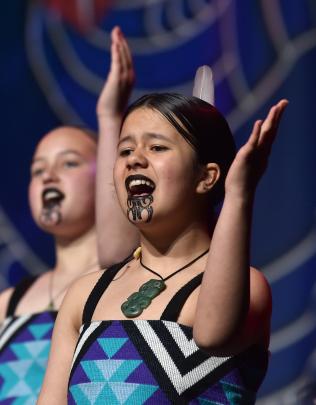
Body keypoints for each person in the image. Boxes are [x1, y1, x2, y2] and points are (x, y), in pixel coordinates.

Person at [38, 27, 288, 404]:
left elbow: (214, 335)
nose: (135, 158)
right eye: (125, 151)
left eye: (156, 147)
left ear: (206, 177)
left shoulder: (249, 288)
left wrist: (239, 194)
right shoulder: (85, 295)